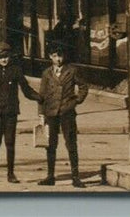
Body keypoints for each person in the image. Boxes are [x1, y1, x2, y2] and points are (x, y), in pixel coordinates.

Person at [0, 41, 40, 183]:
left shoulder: (16, 70)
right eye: (0, 57)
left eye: (6, 56)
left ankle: (10, 174)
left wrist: (39, 97)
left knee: (10, 143)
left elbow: (26, 89)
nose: (4, 60)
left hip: (11, 113)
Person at [36, 43, 90, 187]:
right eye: (55, 56)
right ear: (50, 57)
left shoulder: (72, 71)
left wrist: (76, 101)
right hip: (50, 112)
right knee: (50, 145)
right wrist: (41, 113)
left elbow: (84, 86)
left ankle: (75, 177)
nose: (58, 59)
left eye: (60, 56)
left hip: (67, 112)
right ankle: (50, 176)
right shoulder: (46, 73)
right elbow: (41, 95)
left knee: (71, 144)